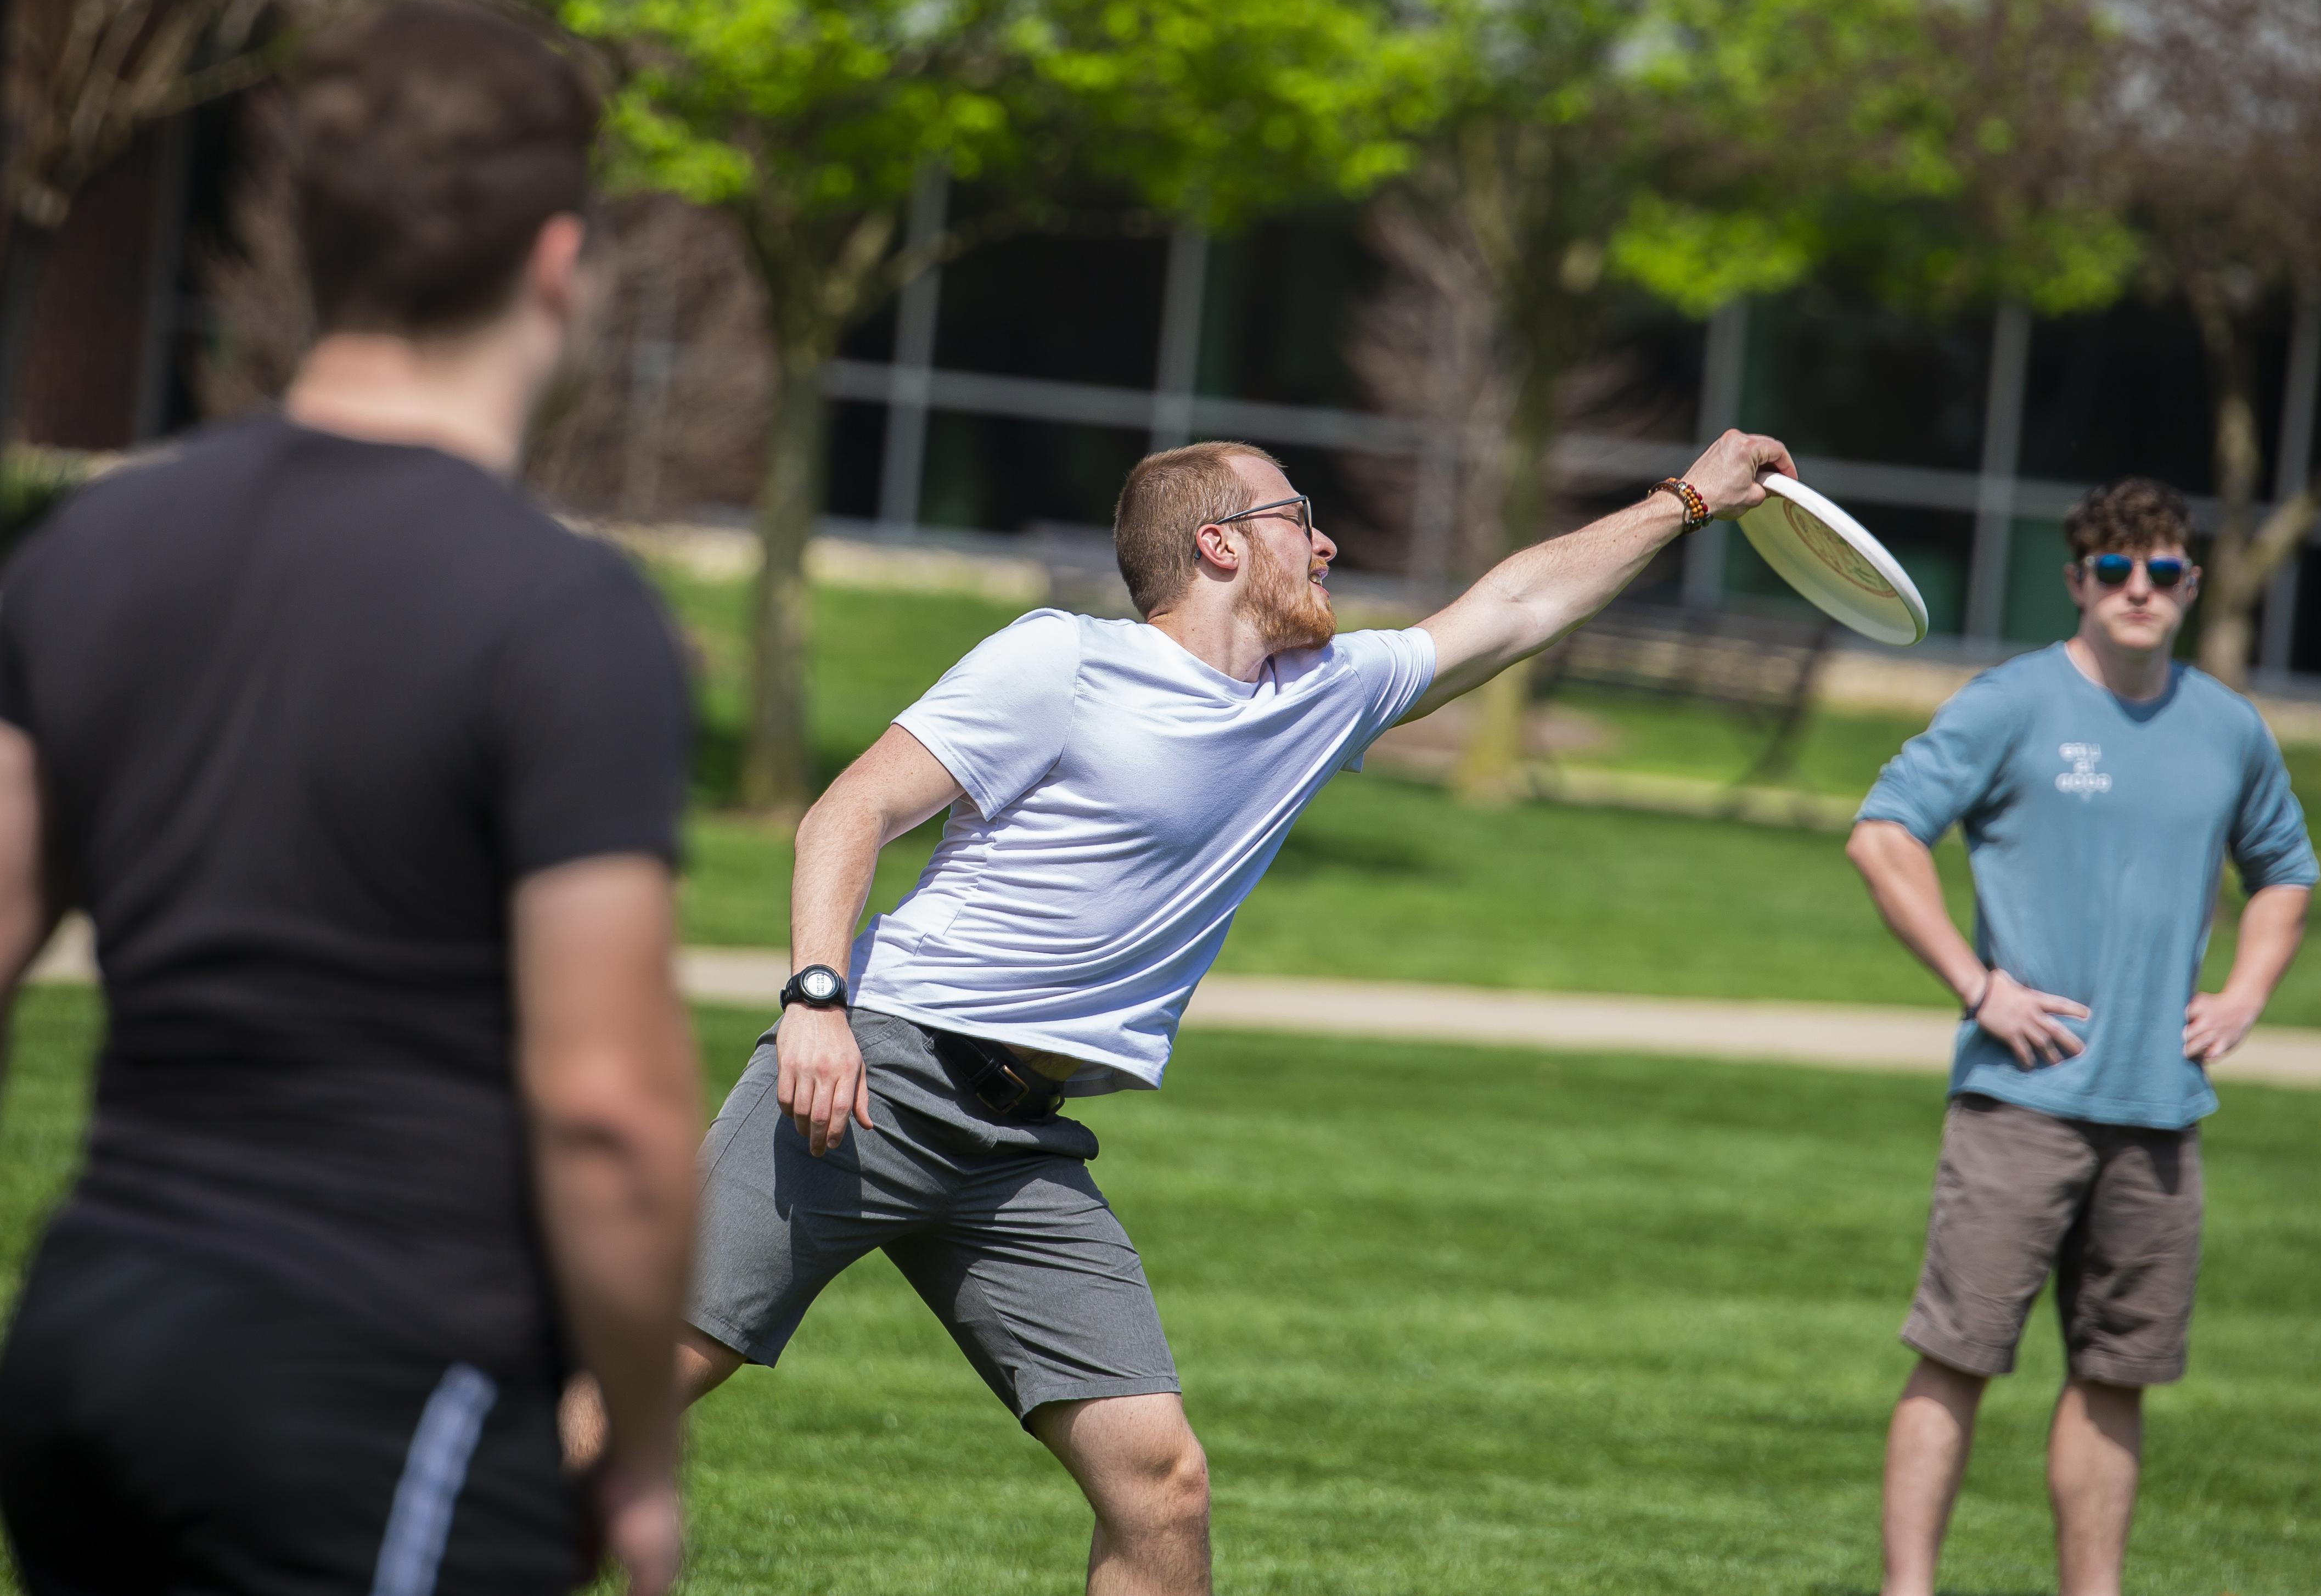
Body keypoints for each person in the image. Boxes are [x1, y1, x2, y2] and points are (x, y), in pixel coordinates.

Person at [647, 430, 1795, 1593]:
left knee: (1161, 1483)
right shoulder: (1063, 663)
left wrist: (1688, 501)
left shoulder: (1321, 698)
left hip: (1017, 1146)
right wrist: (816, 998)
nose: (1328, 541)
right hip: (875, 1075)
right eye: (1301, 517)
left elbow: (1514, 608)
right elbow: (847, 813)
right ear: (1220, 545)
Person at [0, 0, 703, 1596]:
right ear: (553, 258)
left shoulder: (87, 553)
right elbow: (608, 1111)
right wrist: (644, 1457)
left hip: (88, 1335)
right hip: (382, 1380)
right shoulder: (563, 616)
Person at [1844, 476, 2318, 1596]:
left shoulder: (2227, 728)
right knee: (1957, 1358)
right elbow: (1882, 838)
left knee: (2118, 1377)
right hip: (2021, 1102)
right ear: (2078, 582)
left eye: (2162, 572)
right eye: (2115, 570)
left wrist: (2245, 991)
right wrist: (1978, 986)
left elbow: (2286, 873)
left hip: (2160, 1116)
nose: (2139, 591)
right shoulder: (2012, 704)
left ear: (2193, 585)